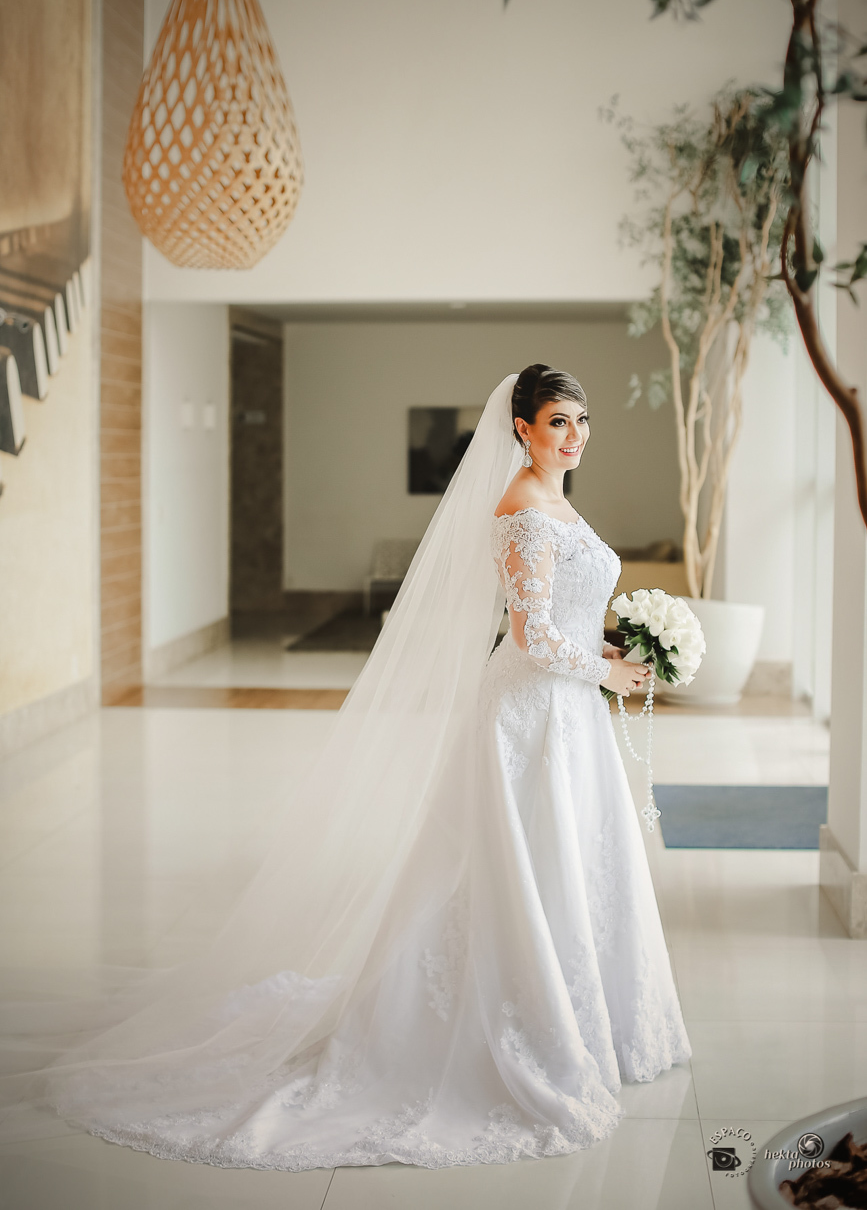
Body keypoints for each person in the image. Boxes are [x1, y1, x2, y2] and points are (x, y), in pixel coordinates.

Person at [0, 366, 691, 1170]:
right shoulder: (522, 509)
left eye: (581, 420)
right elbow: (532, 637)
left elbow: (560, 619)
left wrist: (605, 646)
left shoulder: (557, 500)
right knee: (520, 867)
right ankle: (510, 1024)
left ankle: (592, 1020)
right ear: (521, 430)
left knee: (570, 860)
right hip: (531, 713)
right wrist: (601, 671)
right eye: (557, 421)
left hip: (566, 709)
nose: (573, 435)